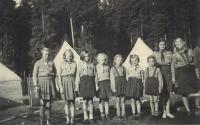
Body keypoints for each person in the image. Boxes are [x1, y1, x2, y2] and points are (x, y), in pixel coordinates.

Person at [171, 38, 197, 116]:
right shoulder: (175, 54)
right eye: (176, 43)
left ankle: (196, 107)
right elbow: (172, 67)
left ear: (183, 43)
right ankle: (188, 110)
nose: (177, 44)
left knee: (195, 90)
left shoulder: (190, 51)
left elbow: (195, 63)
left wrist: (197, 73)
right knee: (183, 92)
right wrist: (173, 78)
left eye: (179, 42)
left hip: (191, 72)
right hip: (181, 73)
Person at [33, 47, 56, 125]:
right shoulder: (38, 63)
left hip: (49, 84)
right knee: (42, 104)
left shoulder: (52, 63)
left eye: (48, 54)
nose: (46, 56)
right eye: (45, 54)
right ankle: (42, 121)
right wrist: (36, 85)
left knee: (49, 105)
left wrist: (51, 75)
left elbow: (55, 74)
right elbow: (34, 75)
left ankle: (48, 121)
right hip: (41, 85)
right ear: (42, 54)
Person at [153, 40, 175, 119]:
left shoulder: (169, 53)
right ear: (158, 45)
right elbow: (152, 65)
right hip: (159, 73)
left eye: (164, 44)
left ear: (165, 45)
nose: (162, 45)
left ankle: (168, 111)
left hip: (168, 73)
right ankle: (163, 112)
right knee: (162, 93)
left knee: (168, 94)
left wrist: (173, 77)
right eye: (160, 44)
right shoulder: (154, 53)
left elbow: (172, 66)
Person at [57, 49, 77, 125]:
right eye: (67, 55)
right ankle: (67, 118)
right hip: (64, 82)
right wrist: (60, 87)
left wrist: (76, 86)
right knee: (66, 102)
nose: (68, 57)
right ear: (65, 56)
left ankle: (72, 118)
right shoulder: (61, 64)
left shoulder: (75, 63)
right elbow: (59, 76)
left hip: (72, 81)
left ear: (72, 56)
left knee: (72, 102)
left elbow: (77, 76)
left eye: (70, 55)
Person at [75, 51, 96, 123]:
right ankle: (85, 116)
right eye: (86, 56)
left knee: (90, 101)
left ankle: (91, 116)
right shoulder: (79, 65)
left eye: (88, 56)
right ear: (83, 57)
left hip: (90, 81)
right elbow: (78, 75)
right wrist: (77, 85)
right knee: (84, 101)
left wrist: (96, 84)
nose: (87, 57)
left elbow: (95, 75)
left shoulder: (92, 64)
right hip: (83, 82)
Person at [125, 54, 144, 119]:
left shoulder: (141, 68)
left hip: (138, 83)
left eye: (136, 60)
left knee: (137, 99)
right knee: (132, 99)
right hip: (131, 83)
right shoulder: (128, 68)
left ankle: (139, 113)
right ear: (130, 61)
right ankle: (134, 113)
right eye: (133, 61)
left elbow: (142, 77)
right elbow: (127, 77)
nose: (134, 62)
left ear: (138, 60)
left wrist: (142, 84)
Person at [110, 54, 126, 120]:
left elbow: (125, 77)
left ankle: (123, 114)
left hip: (123, 85)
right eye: (118, 60)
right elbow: (112, 79)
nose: (119, 61)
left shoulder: (123, 68)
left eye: (120, 60)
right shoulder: (113, 69)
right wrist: (113, 87)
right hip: (117, 85)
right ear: (115, 61)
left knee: (123, 100)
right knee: (117, 100)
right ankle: (118, 114)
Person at [95, 53, 111, 120]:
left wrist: (110, 84)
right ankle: (102, 114)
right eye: (101, 60)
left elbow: (110, 75)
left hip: (107, 83)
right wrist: (96, 85)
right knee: (101, 99)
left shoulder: (107, 66)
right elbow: (96, 77)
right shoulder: (96, 67)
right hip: (100, 83)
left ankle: (107, 113)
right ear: (98, 60)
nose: (103, 61)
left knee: (106, 99)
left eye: (104, 60)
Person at [194, 40, 200, 110]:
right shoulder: (196, 50)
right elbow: (195, 63)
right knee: (198, 88)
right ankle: (197, 104)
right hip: (199, 70)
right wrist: (197, 73)